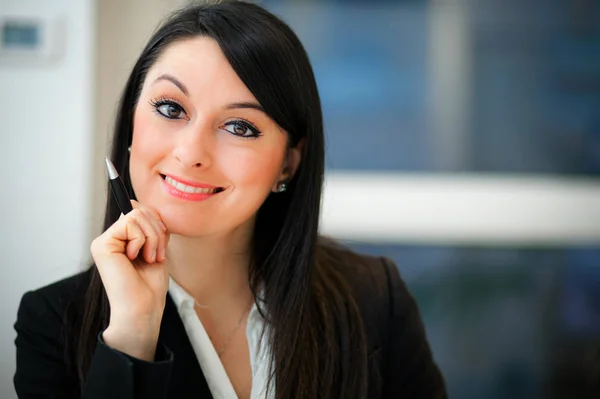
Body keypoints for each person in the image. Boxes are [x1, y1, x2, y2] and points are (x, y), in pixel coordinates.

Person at [13, 1, 446, 398]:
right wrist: (131, 340)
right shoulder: (52, 322)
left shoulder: (372, 298)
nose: (191, 153)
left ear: (288, 164)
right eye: (170, 109)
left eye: (239, 127)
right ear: (131, 124)